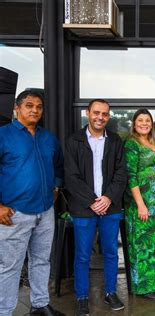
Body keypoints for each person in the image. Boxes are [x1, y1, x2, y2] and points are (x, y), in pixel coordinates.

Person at [0, 90, 64, 316]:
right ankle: (4, 311)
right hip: (14, 213)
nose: (34, 110)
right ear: (17, 108)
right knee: (10, 267)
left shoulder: (48, 138)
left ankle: (39, 304)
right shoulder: (3, 135)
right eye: (29, 105)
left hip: (45, 210)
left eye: (38, 106)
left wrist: (56, 185)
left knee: (41, 260)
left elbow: (58, 165)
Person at [64, 99, 127, 315]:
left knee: (110, 253)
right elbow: (71, 177)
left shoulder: (116, 141)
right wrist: (92, 200)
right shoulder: (74, 141)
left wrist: (108, 198)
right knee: (82, 255)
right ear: (88, 113)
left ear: (109, 117)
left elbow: (121, 173)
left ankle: (110, 292)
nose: (100, 117)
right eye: (96, 112)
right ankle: (82, 297)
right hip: (83, 209)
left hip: (110, 208)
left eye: (105, 114)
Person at [123, 109, 155, 300]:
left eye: (147, 120)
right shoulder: (131, 145)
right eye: (140, 120)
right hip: (142, 205)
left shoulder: (153, 144)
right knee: (144, 244)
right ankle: (144, 287)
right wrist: (141, 205)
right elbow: (131, 177)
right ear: (134, 124)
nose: (144, 123)